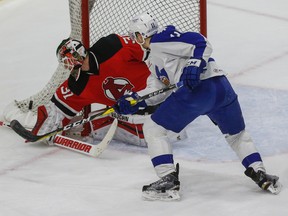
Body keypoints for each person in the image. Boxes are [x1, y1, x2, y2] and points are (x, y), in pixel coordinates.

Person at [115, 12, 282, 200]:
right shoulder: (154, 59)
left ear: (139, 35)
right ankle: (260, 174)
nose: (135, 41)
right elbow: (159, 89)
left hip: (198, 91)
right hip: (222, 90)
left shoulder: (160, 39)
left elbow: (200, 41)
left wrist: (195, 63)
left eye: (134, 36)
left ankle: (168, 180)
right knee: (237, 135)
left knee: (153, 128)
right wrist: (136, 99)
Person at [31, 33, 165, 146]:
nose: (67, 64)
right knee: (94, 124)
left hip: (159, 95)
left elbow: (154, 50)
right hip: (134, 113)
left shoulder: (112, 46)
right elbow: (56, 110)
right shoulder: (77, 84)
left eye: (68, 58)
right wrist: (48, 128)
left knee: (150, 134)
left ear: (78, 54)